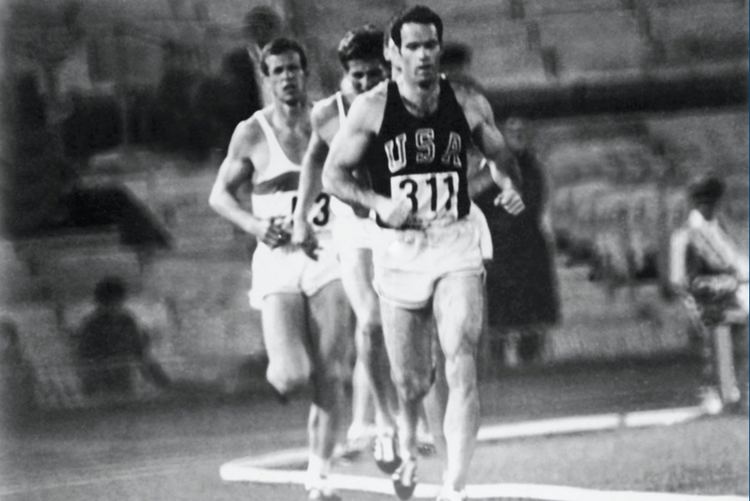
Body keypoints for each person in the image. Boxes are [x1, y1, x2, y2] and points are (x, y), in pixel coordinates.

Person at [322, 7, 524, 501]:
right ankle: (408, 442)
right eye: (412, 46)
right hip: (401, 248)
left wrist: (508, 186)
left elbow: (500, 156)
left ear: (439, 49)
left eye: (430, 45)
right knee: (411, 379)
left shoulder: (468, 102)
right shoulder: (371, 109)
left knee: (460, 356)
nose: (423, 55)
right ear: (394, 53)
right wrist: (377, 203)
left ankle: (454, 485)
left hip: (455, 238)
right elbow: (334, 177)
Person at [208, 38, 352, 501]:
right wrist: (253, 222)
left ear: (305, 73)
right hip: (277, 261)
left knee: (332, 373)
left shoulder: (328, 122)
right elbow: (219, 195)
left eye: (294, 68)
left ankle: (321, 477)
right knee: (292, 376)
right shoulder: (251, 132)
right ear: (266, 79)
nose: (288, 77)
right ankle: (292, 373)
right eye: (278, 71)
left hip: (328, 254)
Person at [291, 24, 401, 474]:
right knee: (371, 320)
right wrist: (301, 216)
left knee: (405, 325)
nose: (366, 84)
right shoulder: (328, 113)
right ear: (345, 75)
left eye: (375, 74)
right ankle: (381, 423)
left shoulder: (405, 103)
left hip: (399, 225)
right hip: (353, 229)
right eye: (358, 76)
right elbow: (315, 159)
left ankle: (398, 416)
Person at [475, 117, 561, 369]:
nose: (517, 135)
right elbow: (480, 203)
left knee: (531, 321)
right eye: (511, 131)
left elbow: (531, 204)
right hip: (498, 252)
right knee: (496, 320)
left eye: (522, 130)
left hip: (527, 250)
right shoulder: (488, 169)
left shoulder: (533, 167)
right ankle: (498, 367)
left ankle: (532, 366)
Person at [668, 175, 748, 412]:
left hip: (735, 300)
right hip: (709, 304)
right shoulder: (687, 235)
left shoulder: (721, 228)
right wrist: (725, 284)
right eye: (703, 202)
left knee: (743, 350)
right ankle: (724, 399)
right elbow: (682, 280)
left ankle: (740, 397)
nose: (708, 207)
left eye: (711, 202)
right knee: (720, 352)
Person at [75, 276, 171, 397]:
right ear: (99, 303)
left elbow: (141, 355)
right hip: (100, 386)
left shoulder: (127, 321)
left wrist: (165, 384)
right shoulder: (91, 326)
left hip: (125, 382)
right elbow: (85, 361)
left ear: (121, 301)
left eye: (117, 302)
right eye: (108, 303)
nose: (114, 307)